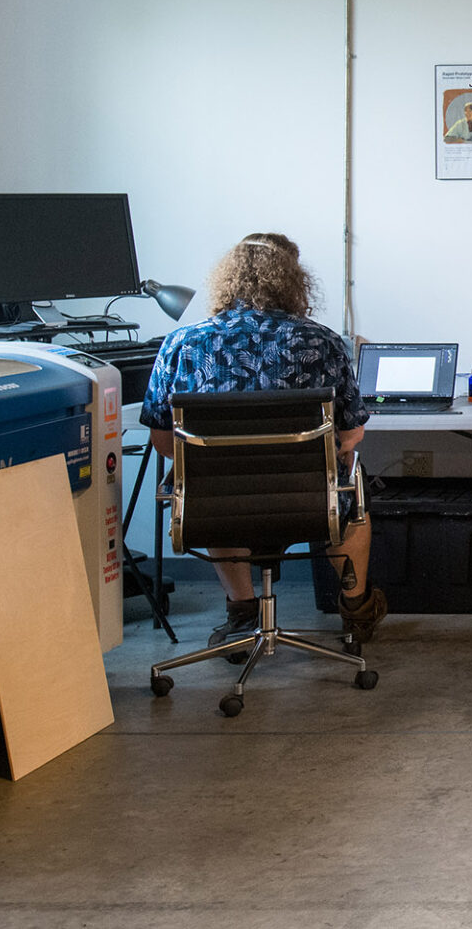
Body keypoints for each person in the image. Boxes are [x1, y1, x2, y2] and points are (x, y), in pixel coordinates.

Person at [140, 233, 388, 648]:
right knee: (349, 481)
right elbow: (352, 434)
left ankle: (241, 612)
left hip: (215, 505)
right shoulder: (322, 341)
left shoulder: (181, 344)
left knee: (206, 473)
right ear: (293, 283)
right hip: (308, 500)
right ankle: (356, 609)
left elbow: (165, 445)